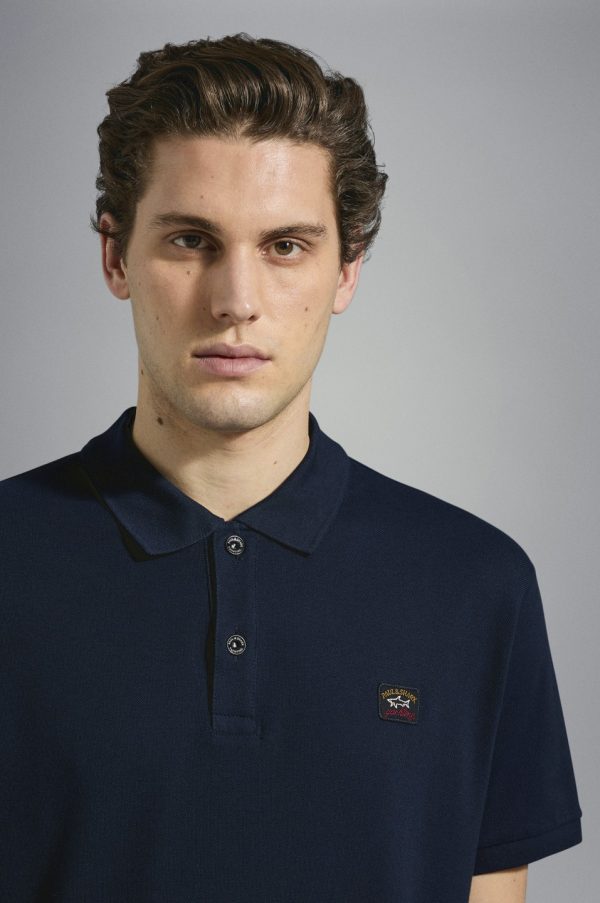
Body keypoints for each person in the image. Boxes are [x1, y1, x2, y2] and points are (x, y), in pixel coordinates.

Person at [0, 33, 582, 903]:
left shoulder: (476, 586)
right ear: (115, 256)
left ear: (347, 268)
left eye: (284, 246)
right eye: (191, 239)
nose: (235, 300)